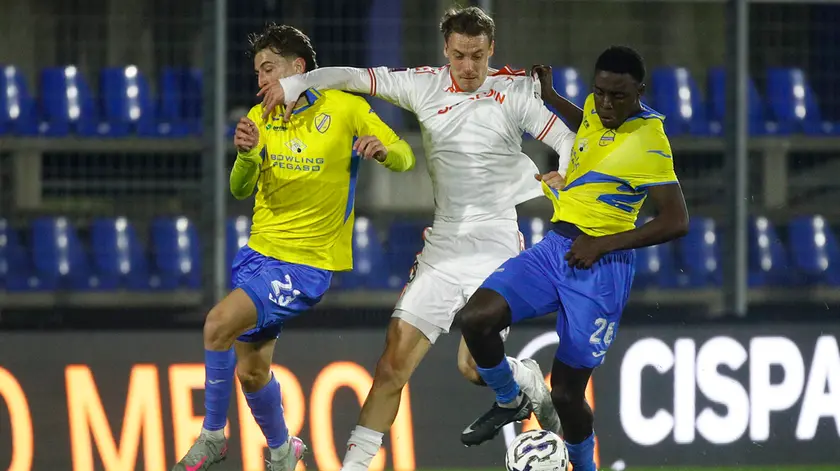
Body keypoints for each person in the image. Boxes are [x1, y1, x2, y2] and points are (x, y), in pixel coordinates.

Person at [258, 6, 573, 471]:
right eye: (461, 56)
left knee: (472, 368)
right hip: (444, 243)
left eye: (479, 57)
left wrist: (564, 170)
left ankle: (522, 378)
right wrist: (296, 83)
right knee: (391, 365)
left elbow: (566, 135)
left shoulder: (513, 92)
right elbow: (352, 77)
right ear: (446, 50)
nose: (469, 68)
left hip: (498, 245)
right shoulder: (422, 84)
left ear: (492, 52)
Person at [172, 23, 416, 471]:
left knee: (216, 324)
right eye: (257, 72)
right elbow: (241, 188)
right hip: (257, 256)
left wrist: (382, 150)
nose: (261, 79)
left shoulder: (346, 108)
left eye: (269, 69)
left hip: (306, 265)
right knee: (251, 372)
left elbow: (406, 155)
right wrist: (245, 155)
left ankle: (212, 436)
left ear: (298, 68)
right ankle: (284, 451)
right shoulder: (260, 116)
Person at [454, 46, 691, 471]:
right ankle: (510, 398)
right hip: (555, 250)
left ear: (639, 90)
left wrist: (602, 244)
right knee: (476, 318)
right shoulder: (597, 110)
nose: (605, 104)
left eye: (617, 96)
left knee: (565, 395)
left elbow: (676, 221)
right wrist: (550, 96)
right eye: (599, 92)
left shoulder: (650, 142)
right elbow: (590, 130)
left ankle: (585, 467)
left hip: (600, 269)